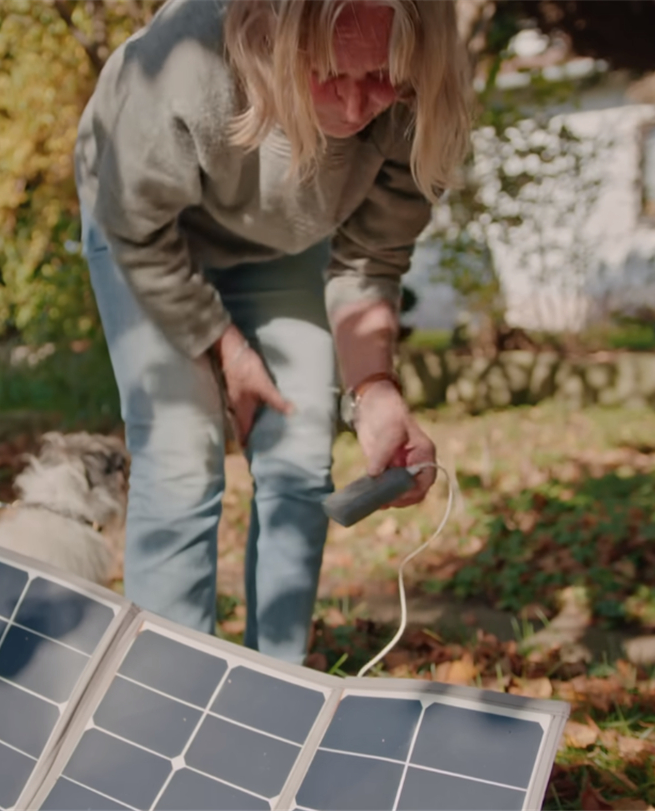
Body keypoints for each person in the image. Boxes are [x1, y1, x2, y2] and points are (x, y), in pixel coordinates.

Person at [74, 0, 470, 665]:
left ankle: (274, 686)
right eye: (330, 75)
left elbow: (370, 262)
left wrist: (374, 390)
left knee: (301, 449)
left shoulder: (422, 87)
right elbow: (137, 230)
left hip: (280, 237)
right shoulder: (186, 60)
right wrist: (227, 348)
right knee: (181, 451)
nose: (356, 106)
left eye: (382, 77)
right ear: (275, 40)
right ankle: (168, 688)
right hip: (145, 230)